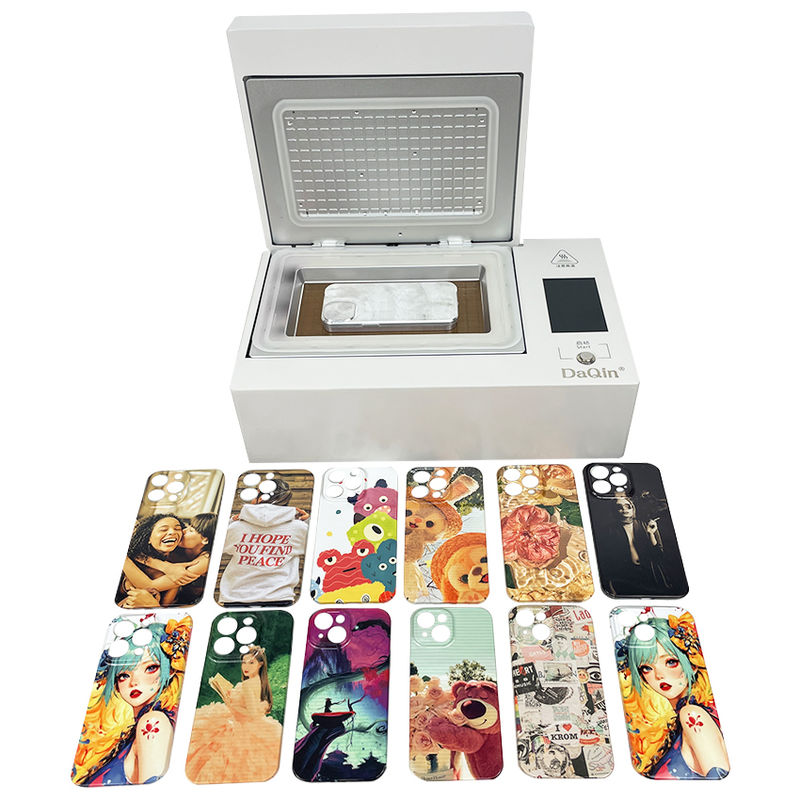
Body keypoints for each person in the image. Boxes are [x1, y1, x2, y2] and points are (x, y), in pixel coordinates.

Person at [72, 617, 190, 785]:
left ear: (170, 670)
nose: (134, 682)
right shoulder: (134, 731)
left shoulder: (152, 722)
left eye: (150, 668)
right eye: (124, 675)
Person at [618, 614, 729, 779]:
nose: (659, 675)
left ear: (692, 663)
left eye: (670, 662)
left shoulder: (692, 715)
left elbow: (719, 779)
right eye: (647, 668)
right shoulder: (679, 723)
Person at [185, 645, 283, 783]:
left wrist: (230, 704)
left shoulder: (248, 684)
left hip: (242, 726)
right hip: (253, 724)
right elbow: (257, 707)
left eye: (251, 663)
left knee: (210, 746)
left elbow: (252, 713)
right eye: (244, 662)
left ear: (260, 664)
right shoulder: (260, 681)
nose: (246, 667)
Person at [218, 481, 309, 605]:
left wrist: (230, 521)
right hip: (279, 597)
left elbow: (214, 544)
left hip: (237, 596)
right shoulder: (299, 528)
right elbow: (319, 546)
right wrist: (309, 522)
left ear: (260, 498)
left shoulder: (235, 527)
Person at [117, 513, 215, 607]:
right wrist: (166, 567)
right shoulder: (175, 546)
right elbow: (136, 548)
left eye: (191, 530)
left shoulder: (205, 560)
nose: (184, 531)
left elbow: (150, 586)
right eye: (186, 527)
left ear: (205, 540)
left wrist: (166, 567)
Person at [603, 497, 667, 596]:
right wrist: (610, 586)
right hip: (626, 578)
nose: (624, 509)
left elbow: (659, 556)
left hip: (651, 574)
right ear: (615, 511)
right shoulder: (609, 531)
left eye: (627, 506)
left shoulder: (647, 526)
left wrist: (651, 534)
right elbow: (607, 561)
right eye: (619, 507)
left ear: (633, 509)